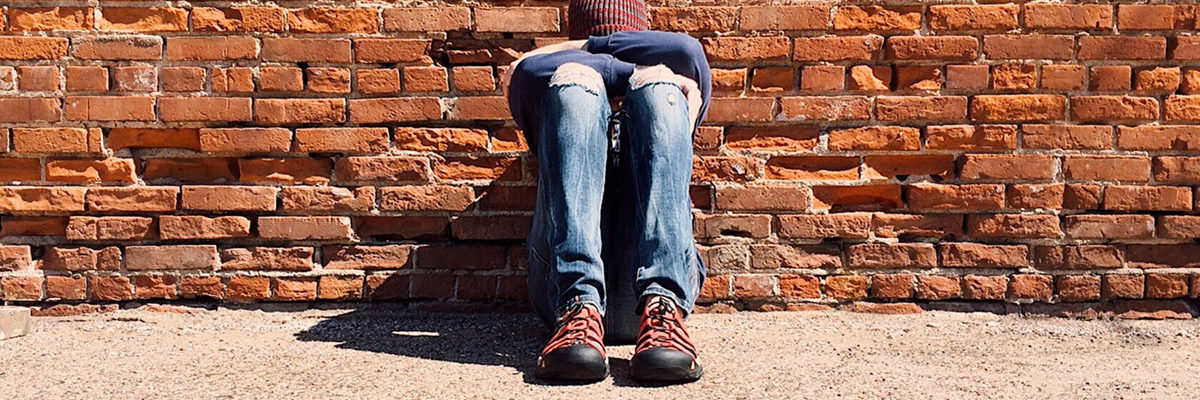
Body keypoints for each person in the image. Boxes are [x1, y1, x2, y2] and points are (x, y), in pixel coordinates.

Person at [501, 0, 712, 383]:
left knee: (659, 87)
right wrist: (598, 63)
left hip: (661, 303)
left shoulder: (674, 87)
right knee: (574, 88)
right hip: (561, 296)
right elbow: (526, 71)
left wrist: (630, 74)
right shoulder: (559, 97)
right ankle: (579, 305)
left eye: (630, 42)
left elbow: (686, 51)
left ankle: (662, 302)